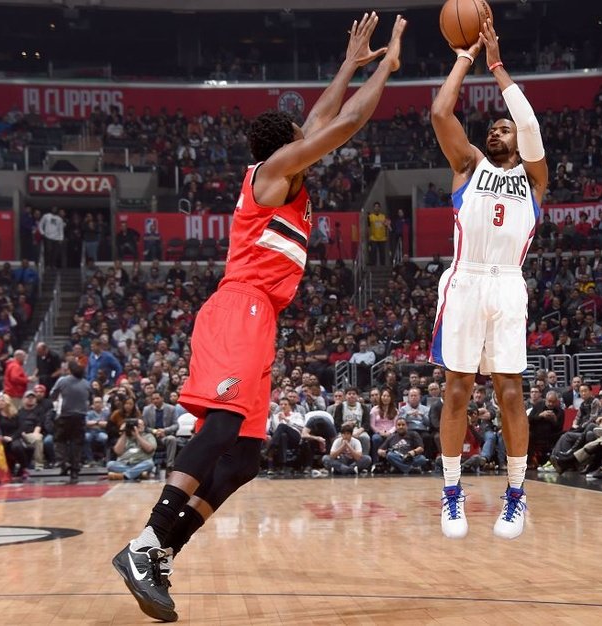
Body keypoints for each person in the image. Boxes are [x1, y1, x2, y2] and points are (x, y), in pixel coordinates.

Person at [112, 14, 406, 622]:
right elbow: (345, 122)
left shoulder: (284, 174)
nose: (309, 137)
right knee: (221, 425)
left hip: (260, 315)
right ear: (287, 148)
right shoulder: (271, 177)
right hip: (239, 306)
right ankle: (145, 542)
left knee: (245, 458)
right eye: (300, 138)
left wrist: (348, 66)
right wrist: (387, 68)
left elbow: (321, 118)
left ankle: (163, 550)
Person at [430, 18, 548, 541]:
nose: (495, 131)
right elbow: (440, 112)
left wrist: (497, 66)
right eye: (492, 128)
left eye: (504, 128)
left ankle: (517, 495)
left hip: (507, 284)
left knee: (511, 393)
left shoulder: (534, 178)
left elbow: (531, 126)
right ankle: (451, 492)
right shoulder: (467, 164)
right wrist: (465, 58)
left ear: (518, 141)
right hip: (466, 279)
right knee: (456, 390)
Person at [49, 360, 93, 484]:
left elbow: (52, 394)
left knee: (59, 440)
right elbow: (91, 399)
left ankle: (63, 462)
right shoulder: (86, 383)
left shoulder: (62, 381)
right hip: (80, 417)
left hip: (65, 415)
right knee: (77, 444)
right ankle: (75, 471)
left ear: (69, 370)